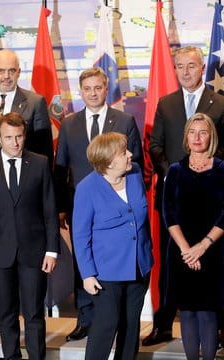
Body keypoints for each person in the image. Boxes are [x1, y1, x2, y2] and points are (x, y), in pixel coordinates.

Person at [147, 45, 224, 348]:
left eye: (192, 66)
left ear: (202, 69)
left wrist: (203, 170)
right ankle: (163, 324)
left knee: (212, 273)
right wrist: (177, 173)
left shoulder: (221, 102)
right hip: (175, 199)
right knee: (173, 267)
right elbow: (156, 145)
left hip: (210, 201)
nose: (185, 72)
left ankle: (219, 329)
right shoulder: (166, 103)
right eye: (180, 66)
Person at [0, 48, 54, 338]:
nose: (6, 76)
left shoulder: (36, 102)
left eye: (11, 71)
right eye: (1, 71)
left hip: (25, 190)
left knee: (31, 304)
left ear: (19, 72)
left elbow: (42, 149)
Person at [55, 67, 143, 342]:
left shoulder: (124, 120)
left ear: (106, 89)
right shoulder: (69, 124)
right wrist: (61, 207)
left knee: (113, 264)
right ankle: (85, 318)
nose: (93, 93)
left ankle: (112, 320)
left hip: (116, 207)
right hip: (81, 205)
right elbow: (60, 170)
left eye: (98, 87)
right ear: (81, 92)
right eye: (87, 89)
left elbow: (136, 161)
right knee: (84, 259)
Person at [0, 112, 59, 359]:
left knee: (33, 314)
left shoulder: (40, 163)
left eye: (19, 136)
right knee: (7, 314)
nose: (15, 142)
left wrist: (52, 250)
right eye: (9, 137)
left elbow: (50, 211)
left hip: (34, 253)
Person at [72, 132, 153, 359]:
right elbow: (80, 235)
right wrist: (87, 274)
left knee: (130, 327)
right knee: (107, 325)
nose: (130, 155)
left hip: (139, 266)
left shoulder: (135, 173)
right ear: (108, 162)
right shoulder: (87, 188)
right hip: (106, 273)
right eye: (123, 152)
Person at [163, 113, 224, 360]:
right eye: (192, 132)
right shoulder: (175, 170)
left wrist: (202, 247)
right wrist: (187, 250)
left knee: (208, 311)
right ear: (185, 136)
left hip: (211, 250)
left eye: (203, 132)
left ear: (211, 137)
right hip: (181, 251)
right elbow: (169, 215)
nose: (197, 137)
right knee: (188, 310)